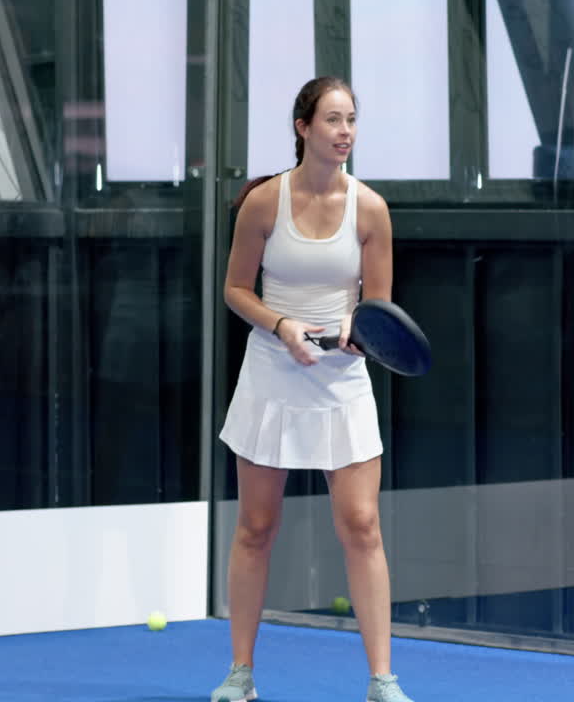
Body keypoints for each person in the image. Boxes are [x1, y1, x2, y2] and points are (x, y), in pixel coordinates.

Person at [213, 76, 413, 702]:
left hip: (341, 379)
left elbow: (377, 305)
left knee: (362, 525)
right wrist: (282, 325)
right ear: (303, 128)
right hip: (272, 371)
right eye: (332, 119)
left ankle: (382, 680)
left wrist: (356, 329)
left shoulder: (371, 209)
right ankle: (240, 675)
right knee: (256, 526)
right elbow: (235, 289)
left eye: (351, 119)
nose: (345, 131)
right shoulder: (263, 203)